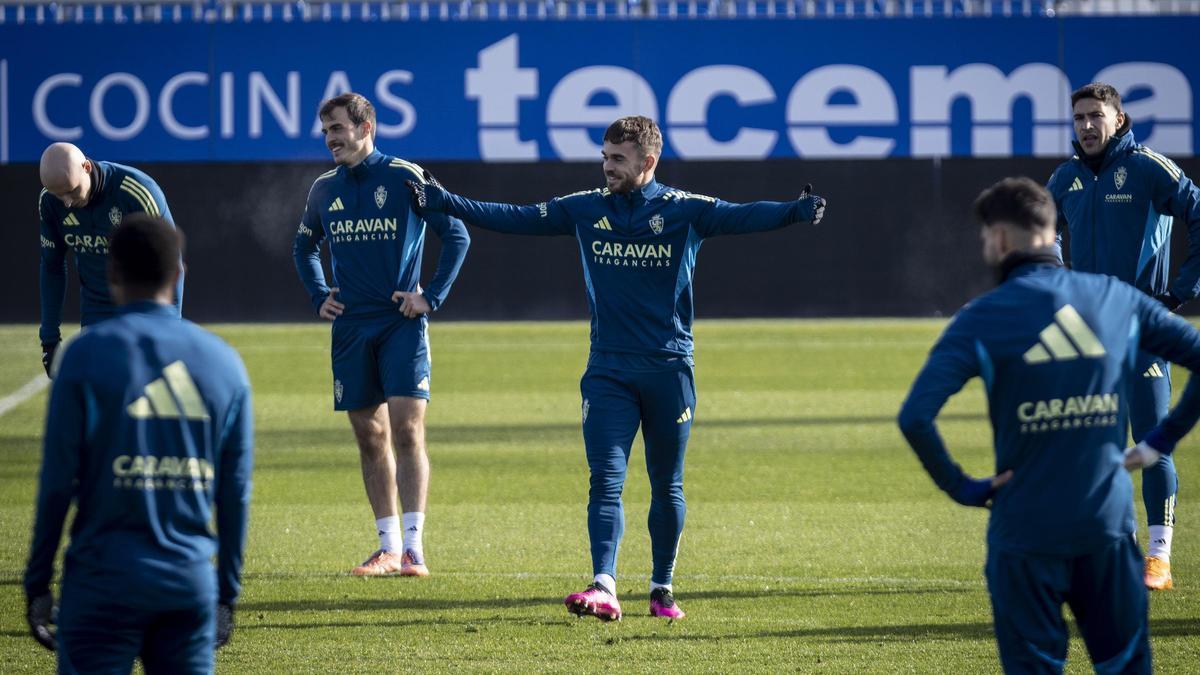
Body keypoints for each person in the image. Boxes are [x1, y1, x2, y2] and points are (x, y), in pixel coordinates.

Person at [408, 115, 826, 620]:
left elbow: (745, 215)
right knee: (605, 478)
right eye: (604, 157)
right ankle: (603, 584)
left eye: (617, 159)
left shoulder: (685, 211)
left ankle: (661, 588)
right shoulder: (584, 209)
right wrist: (448, 200)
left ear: (648, 162)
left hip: (670, 369)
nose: (607, 167)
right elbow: (514, 217)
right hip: (607, 370)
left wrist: (796, 212)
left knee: (666, 482)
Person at [898, 177, 1200, 674]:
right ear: (1050, 231)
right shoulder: (1113, 296)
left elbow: (915, 417)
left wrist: (965, 489)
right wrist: (1159, 443)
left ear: (998, 239)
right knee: (1124, 665)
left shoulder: (981, 317)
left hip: (1024, 532)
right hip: (1105, 527)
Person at [24, 214, 254, 674]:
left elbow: (56, 481)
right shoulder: (224, 363)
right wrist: (226, 593)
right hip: (187, 586)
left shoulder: (85, 355)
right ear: (180, 272)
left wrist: (37, 582)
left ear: (110, 274)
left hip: (101, 581)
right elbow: (235, 493)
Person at [293, 92, 470, 577]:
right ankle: (387, 548)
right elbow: (304, 246)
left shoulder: (406, 177)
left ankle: (414, 549)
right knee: (369, 437)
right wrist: (317, 294)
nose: (331, 138)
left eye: (338, 128)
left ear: (365, 128)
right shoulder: (323, 188)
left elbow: (456, 233)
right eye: (326, 130)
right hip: (351, 328)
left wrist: (430, 296)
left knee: (408, 430)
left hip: (400, 324)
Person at [1047, 82, 1200, 590]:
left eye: (1096, 116)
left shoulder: (1147, 168)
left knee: (1153, 438)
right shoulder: (1065, 178)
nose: (1086, 126)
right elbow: (1038, 235)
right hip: (1088, 332)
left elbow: (1199, 212)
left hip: (1143, 327)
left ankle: (1160, 557)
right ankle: (1123, 552)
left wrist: (1179, 292)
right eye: (1078, 119)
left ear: (1119, 119)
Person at [38, 142, 184, 377]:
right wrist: (49, 339)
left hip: (143, 310)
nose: (66, 202)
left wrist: (170, 328)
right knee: (102, 395)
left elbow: (170, 263)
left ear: (85, 167)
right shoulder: (49, 201)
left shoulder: (136, 191)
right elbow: (52, 266)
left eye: (72, 191)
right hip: (96, 314)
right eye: (59, 195)